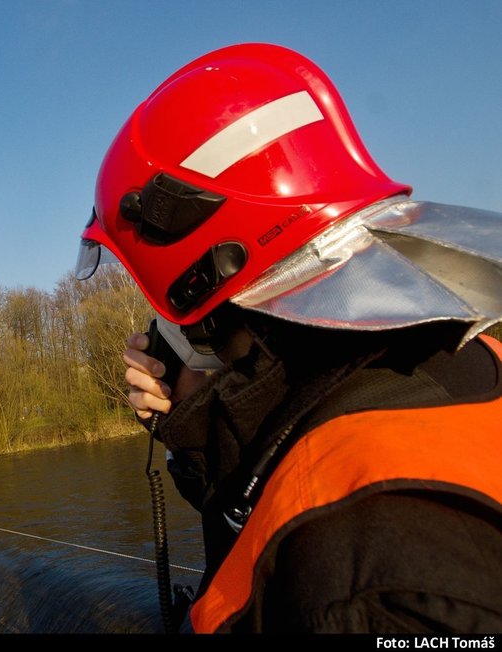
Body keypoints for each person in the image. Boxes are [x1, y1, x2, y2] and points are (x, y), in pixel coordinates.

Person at [76, 43, 502, 633]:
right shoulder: (461, 354)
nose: (153, 338)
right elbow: (271, 503)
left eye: (165, 314)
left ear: (205, 292)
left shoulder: (364, 584)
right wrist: (202, 429)